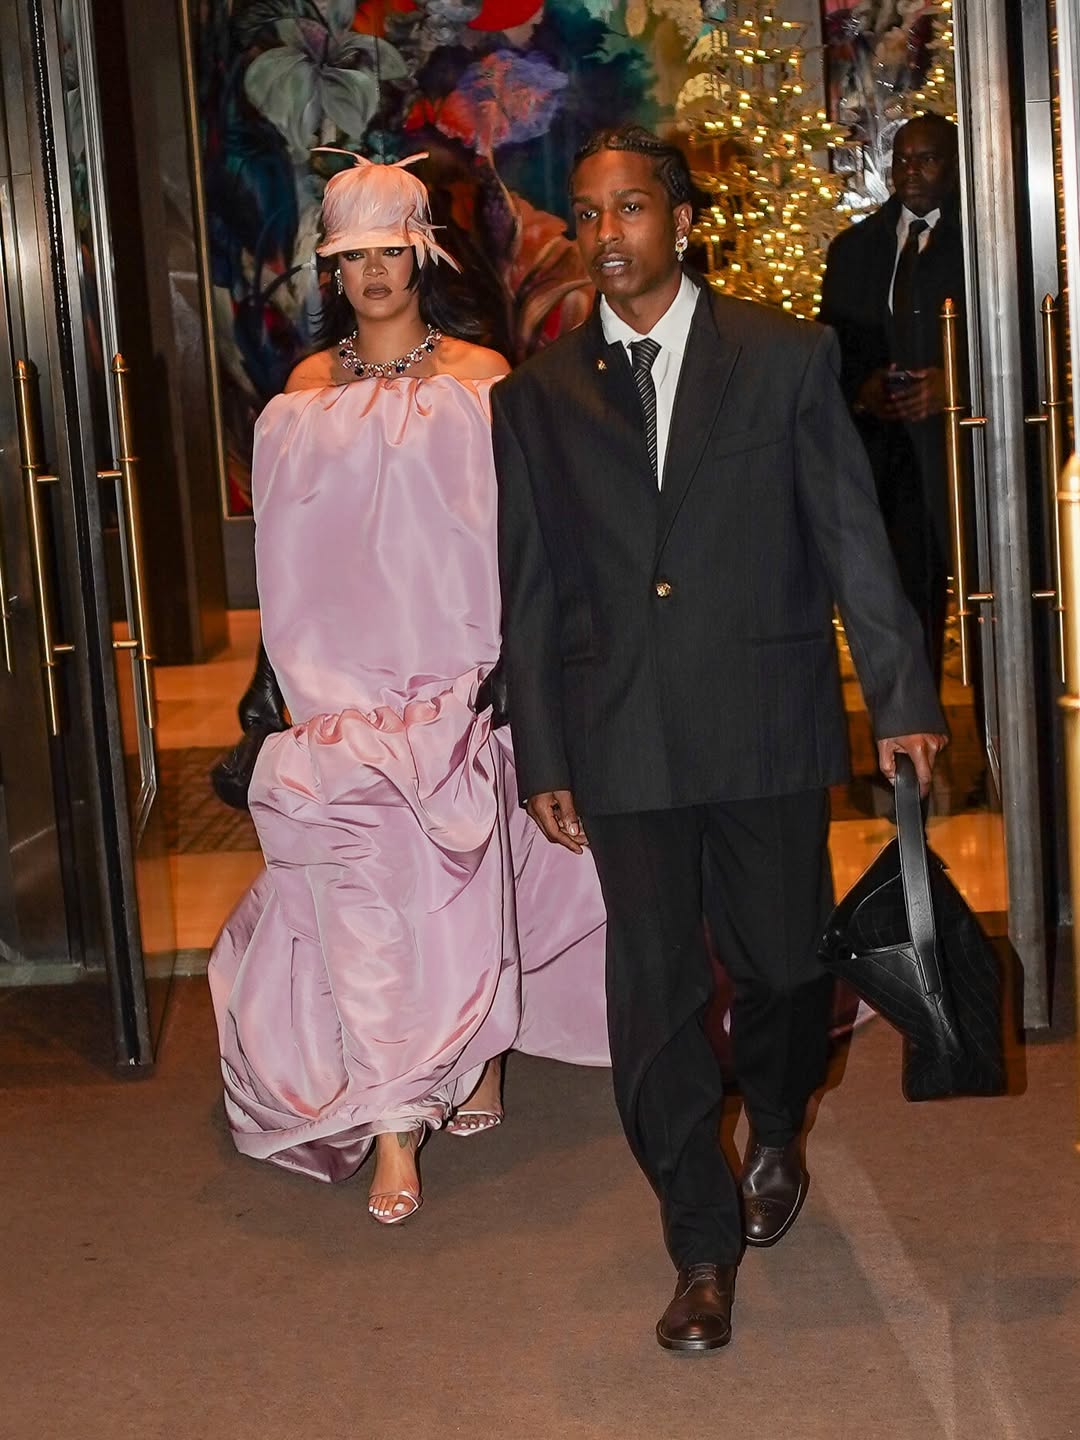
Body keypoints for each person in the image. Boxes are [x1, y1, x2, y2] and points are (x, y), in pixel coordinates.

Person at [492, 125, 947, 1353]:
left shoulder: (784, 357)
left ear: (682, 221)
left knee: (786, 967)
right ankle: (699, 1243)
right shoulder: (534, 398)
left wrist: (901, 697)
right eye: (589, 213)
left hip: (764, 719)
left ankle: (779, 1120)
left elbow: (850, 533)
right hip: (622, 734)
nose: (607, 233)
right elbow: (528, 589)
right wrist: (544, 754)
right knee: (654, 996)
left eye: (632, 208)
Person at [208, 153, 608, 1226]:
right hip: (342, 698)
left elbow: (524, 535)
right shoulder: (302, 394)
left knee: (477, 878)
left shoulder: (484, 377)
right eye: (354, 256)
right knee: (371, 900)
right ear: (331, 270)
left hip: (461, 680)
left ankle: (479, 1056)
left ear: (423, 255)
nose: (375, 272)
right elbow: (289, 558)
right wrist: (292, 685)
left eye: (392, 250)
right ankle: (395, 1121)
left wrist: (526, 666)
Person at [819, 114, 966, 688]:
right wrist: (865, 389)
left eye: (926, 159)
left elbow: (1017, 334)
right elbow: (832, 347)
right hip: (890, 461)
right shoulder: (854, 250)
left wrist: (957, 385)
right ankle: (915, 729)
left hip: (971, 448)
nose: (910, 172)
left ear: (952, 166)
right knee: (905, 609)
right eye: (901, 159)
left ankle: (1005, 733)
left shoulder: (985, 240)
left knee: (992, 603)